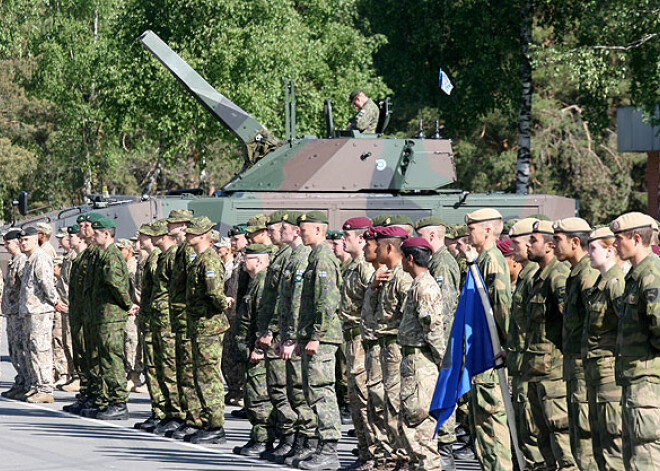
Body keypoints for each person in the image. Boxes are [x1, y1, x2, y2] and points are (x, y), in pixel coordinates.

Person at [525, 220, 577, 470]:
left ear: (548, 246)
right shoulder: (539, 277)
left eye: (533, 240)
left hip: (554, 372)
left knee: (560, 434)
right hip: (537, 370)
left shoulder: (558, 276)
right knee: (542, 435)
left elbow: (571, 323)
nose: (527, 243)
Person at [610, 212, 660, 470]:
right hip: (634, 380)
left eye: (618, 239)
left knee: (646, 459)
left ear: (637, 238)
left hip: (647, 382)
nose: (614, 245)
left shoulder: (650, 273)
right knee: (633, 458)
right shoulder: (635, 275)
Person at [295, 211, 343, 470]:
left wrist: (316, 335)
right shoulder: (315, 256)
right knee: (312, 391)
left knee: (322, 391)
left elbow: (327, 301)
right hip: (314, 335)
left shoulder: (323, 258)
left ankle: (329, 450)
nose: (300, 232)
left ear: (318, 231)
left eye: (305, 229)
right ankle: (317, 445)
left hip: (322, 338)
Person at [465, 208, 512, 471]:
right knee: (481, 423)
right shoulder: (480, 258)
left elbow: (501, 305)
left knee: (492, 422)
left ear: (488, 230)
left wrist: (504, 344)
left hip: (490, 352)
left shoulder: (492, 259)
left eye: (472, 228)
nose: (469, 232)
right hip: (481, 351)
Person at [398, 237, 450, 471]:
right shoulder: (418, 284)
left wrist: (442, 361)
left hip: (422, 362)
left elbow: (433, 328)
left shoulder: (425, 287)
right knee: (410, 425)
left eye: (403, 258)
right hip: (413, 360)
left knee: (419, 425)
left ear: (410, 259)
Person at [505, 218, 553, 469]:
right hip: (522, 364)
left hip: (537, 367)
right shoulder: (526, 276)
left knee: (535, 435)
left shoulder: (538, 276)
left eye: (519, 243)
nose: (512, 248)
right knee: (526, 434)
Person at [553, 218, 598, 471]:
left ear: (575, 242)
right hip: (573, 364)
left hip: (583, 365)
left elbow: (595, 324)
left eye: (557, 239)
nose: (553, 244)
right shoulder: (575, 273)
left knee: (585, 433)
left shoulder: (586, 274)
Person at [273, 211, 315, 465]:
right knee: (293, 391)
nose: (278, 233)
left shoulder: (302, 258)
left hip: (298, 336)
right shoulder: (292, 257)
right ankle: (299, 440)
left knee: (301, 391)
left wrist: (292, 337)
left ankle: (308, 441)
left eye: (283, 228)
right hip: (290, 334)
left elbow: (298, 304)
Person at [184, 216, 230, 444]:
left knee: (209, 377)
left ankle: (216, 425)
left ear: (203, 235)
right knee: (200, 376)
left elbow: (214, 294)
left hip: (209, 326)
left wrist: (224, 303)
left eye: (191, 232)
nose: (186, 235)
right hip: (199, 325)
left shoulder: (209, 260)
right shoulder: (199, 259)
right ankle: (206, 420)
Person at [254, 211, 295, 456]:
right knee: (276, 388)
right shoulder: (280, 255)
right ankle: (285, 438)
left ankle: (290, 438)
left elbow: (285, 299)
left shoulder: (290, 256)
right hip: (274, 329)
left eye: (273, 229)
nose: (269, 233)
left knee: (283, 389)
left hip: (280, 332)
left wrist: (272, 331)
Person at [583, 227, 624, 471]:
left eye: (593, 248)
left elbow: (626, 329)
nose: (588, 253)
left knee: (613, 446)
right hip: (596, 375)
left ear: (610, 251)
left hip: (610, 377)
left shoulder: (615, 284)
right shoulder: (601, 283)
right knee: (599, 446)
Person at [373, 224, 412, 470]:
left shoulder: (402, 277)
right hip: (386, 347)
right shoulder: (388, 274)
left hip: (397, 348)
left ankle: (403, 456)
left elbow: (410, 316)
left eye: (379, 245)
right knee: (388, 402)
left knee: (397, 404)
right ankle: (395, 455)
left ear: (389, 247)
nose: (375, 249)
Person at [89, 217, 134, 420]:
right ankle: (109, 399)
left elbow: (116, 285)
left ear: (106, 234)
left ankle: (119, 402)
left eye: (96, 232)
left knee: (113, 358)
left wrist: (127, 304)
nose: (93, 235)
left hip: (111, 315)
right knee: (106, 358)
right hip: (103, 314)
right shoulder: (104, 254)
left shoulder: (112, 256)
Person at [338, 217, 375, 471]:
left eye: (347, 236)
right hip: (350, 339)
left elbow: (371, 307)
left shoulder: (366, 268)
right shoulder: (350, 266)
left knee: (365, 399)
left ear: (361, 238)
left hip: (361, 339)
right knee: (355, 398)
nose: (343, 240)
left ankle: (373, 455)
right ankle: (364, 453)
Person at [167, 209, 204, 440]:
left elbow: (193, 286)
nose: (168, 227)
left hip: (188, 316)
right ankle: (186, 416)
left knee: (190, 371)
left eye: (172, 223)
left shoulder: (190, 251)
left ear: (182, 225)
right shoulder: (182, 249)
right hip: (180, 315)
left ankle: (195, 419)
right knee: (183, 369)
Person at [234, 243, 274, 456]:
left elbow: (264, 317)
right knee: (252, 393)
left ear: (258, 261)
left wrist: (258, 347)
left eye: (247, 258)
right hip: (249, 347)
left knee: (259, 395)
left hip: (258, 349)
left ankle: (263, 439)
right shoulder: (253, 281)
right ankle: (257, 436)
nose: (242, 261)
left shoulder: (263, 282)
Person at [150, 219, 186, 435]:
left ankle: (177, 414)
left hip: (171, 318)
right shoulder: (166, 256)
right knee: (163, 367)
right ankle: (168, 413)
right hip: (161, 317)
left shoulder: (175, 255)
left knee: (172, 368)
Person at [360, 226, 392, 469]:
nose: (367, 247)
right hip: (372, 345)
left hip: (389, 351)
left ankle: (389, 457)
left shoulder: (395, 276)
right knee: (373, 402)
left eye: (372, 243)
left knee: (385, 404)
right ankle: (377, 456)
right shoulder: (377, 275)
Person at [19, 226, 62, 403]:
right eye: (21, 240)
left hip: (40, 312)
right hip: (31, 311)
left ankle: (45, 388)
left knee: (41, 349)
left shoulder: (41, 258)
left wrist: (55, 301)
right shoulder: (30, 259)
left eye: (25, 240)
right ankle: (37, 385)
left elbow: (46, 283)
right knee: (32, 350)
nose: (22, 243)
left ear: (35, 239)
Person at [1, 229, 29, 399]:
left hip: (18, 312)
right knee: (14, 350)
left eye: (8, 243)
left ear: (17, 242)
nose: (5, 246)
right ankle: (21, 380)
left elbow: (24, 289)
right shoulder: (14, 261)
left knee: (21, 348)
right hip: (11, 312)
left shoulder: (22, 261)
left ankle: (27, 382)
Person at [223, 224, 249, 407]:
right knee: (229, 356)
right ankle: (234, 390)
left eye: (236, 239)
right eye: (231, 239)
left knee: (241, 357)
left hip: (241, 315)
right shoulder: (236, 259)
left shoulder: (251, 257)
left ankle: (243, 394)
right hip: (231, 315)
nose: (233, 242)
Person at [117, 238, 144, 393]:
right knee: (127, 342)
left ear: (128, 250)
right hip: (127, 309)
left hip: (133, 310)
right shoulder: (126, 265)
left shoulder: (132, 266)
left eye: (121, 249)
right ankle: (130, 374)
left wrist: (133, 304)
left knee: (132, 342)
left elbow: (136, 290)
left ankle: (134, 375)